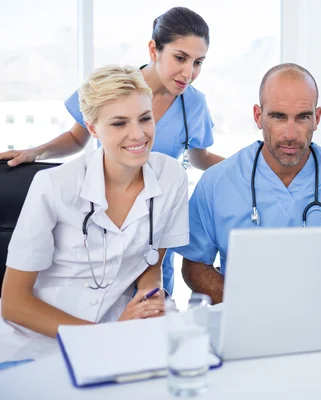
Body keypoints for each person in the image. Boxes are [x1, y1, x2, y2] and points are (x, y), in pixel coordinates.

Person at [0, 7, 223, 295]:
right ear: (154, 49)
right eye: (180, 58)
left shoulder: (194, 104)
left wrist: (252, 165)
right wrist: (36, 152)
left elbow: (199, 158)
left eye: (198, 62)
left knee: (149, 303)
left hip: (153, 228)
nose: (188, 73)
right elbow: (76, 138)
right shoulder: (112, 88)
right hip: (105, 216)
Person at [0, 65, 189, 363]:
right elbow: (13, 303)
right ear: (91, 128)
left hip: (118, 328)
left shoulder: (172, 177)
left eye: (144, 118)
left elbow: (152, 265)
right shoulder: (54, 185)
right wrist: (103, 338)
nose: (137, 134)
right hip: (38, 339)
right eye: (118, 123)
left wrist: (151, 302)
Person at [173, 63, 321, 304]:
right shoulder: (217, 182)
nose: (290, 133)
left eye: (302, 118)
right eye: (278, 117)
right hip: (247, 325)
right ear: (258, 116)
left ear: (317, 118)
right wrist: (244, 304)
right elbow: (194, 265)